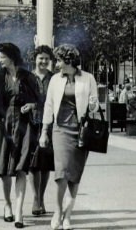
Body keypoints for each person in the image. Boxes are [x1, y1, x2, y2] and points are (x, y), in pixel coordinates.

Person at [39, 44, 99, 230]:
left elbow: (94, 107)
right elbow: (49, 106)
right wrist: (44, 132)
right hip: (60, 130)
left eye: (59, 60)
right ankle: (58, 211)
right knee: (61, 173)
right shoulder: (55, 80)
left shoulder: (88, 78)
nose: (56, 64)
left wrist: (92, 104)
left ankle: (68, 215)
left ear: (69, 61)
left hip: (81, 131)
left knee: (74, 175)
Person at [0, 42, 40, 228]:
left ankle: (19, 211)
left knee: (21, 167)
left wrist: (31, 105)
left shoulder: (28, 77)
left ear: (12, 57)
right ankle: (7, 203)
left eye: (2, 56)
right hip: (3, 124)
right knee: (5, 169)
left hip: (24, 125)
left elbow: (38, 100)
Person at [29, 45, 55, 217]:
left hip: (49, 124)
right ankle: (35, 198)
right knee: (32, 164)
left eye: (46, 58)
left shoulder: (54, 78)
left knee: (45, 164)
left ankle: (41, 198)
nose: (44, 61)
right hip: (30, 123)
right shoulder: (28, 77)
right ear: (35, 59)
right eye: (41, 58)